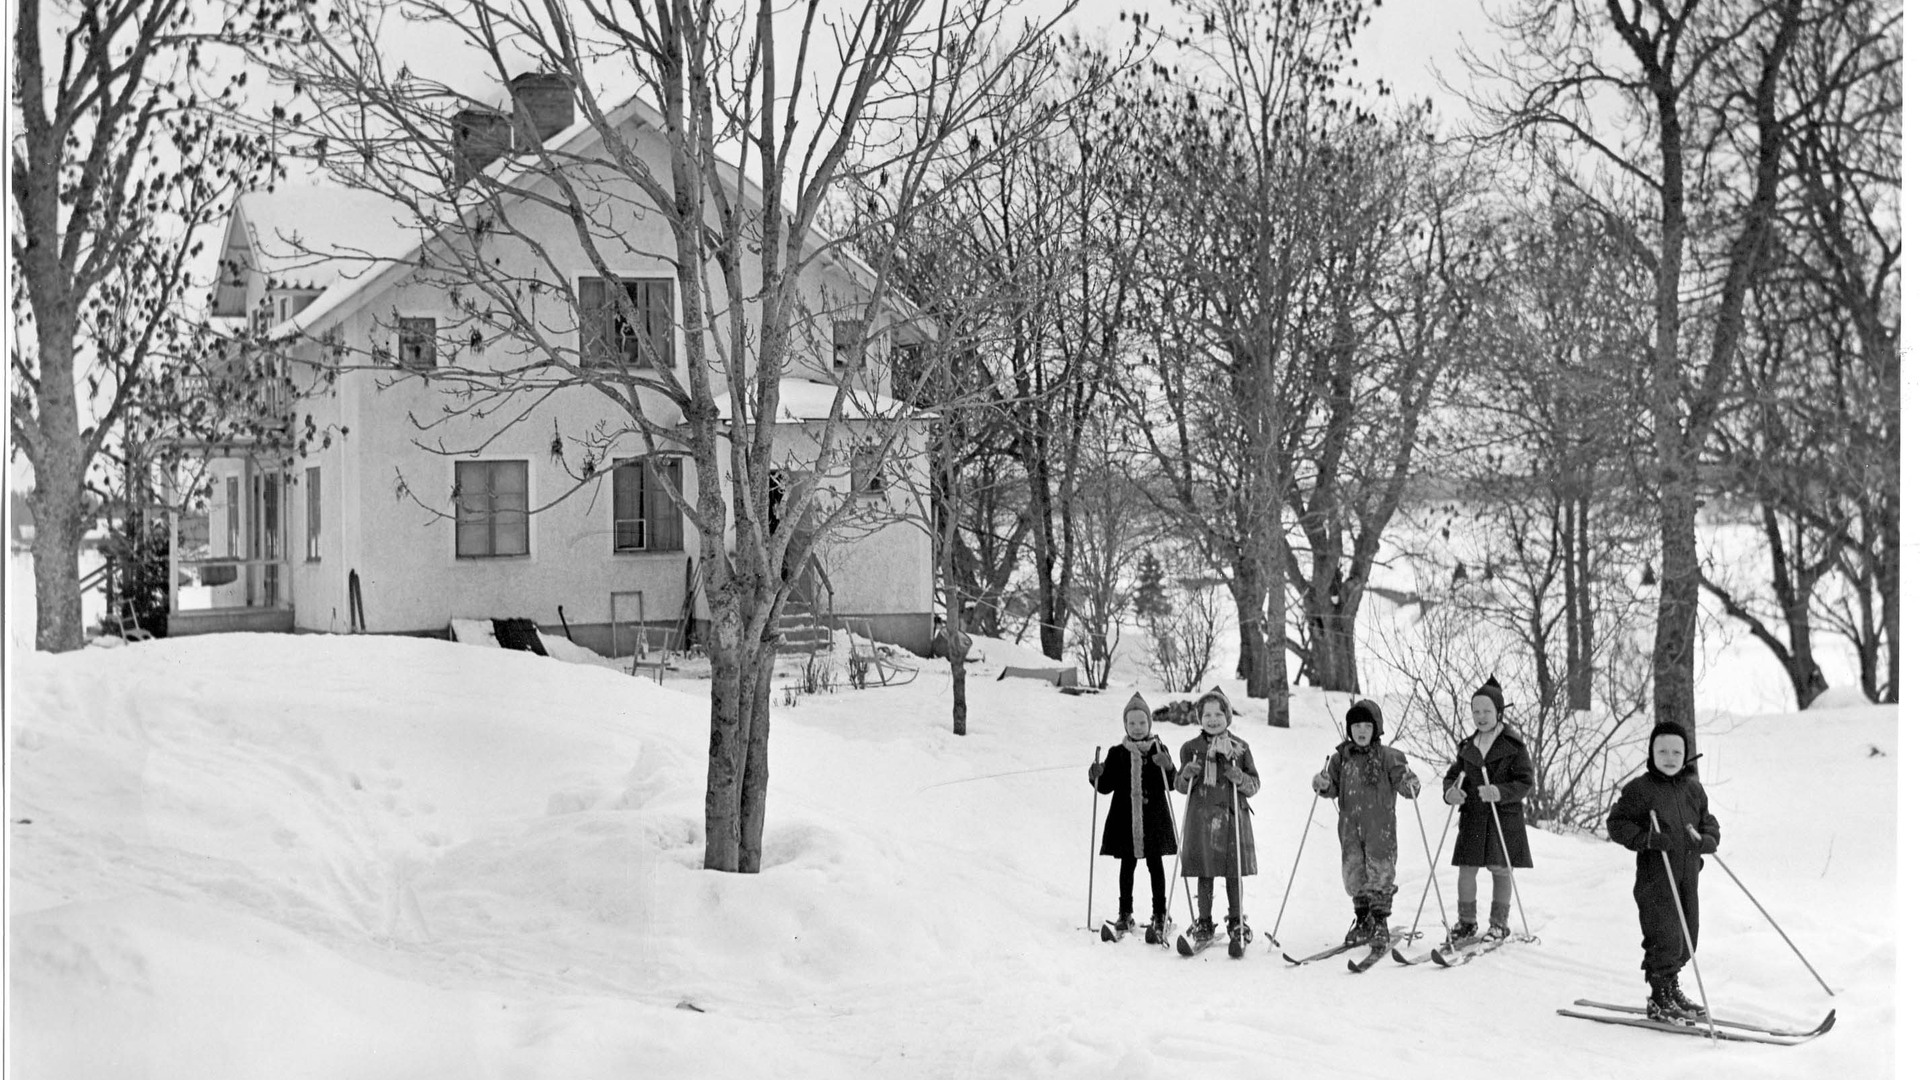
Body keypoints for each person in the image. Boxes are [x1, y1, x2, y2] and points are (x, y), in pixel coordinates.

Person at [1605, 721, 1721, 1022]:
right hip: (1656, 878)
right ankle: (1659, 998)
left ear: (1686, 755)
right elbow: (1617, 823)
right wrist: (1646, 839)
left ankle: (1672, 989)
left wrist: (1707, 839)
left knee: (1686, 938)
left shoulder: (1693, 789)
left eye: (1676, 751)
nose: (1669, 757)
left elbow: (1708, 821)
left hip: (1688, 875)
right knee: (1664, 937)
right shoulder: (1641, 790)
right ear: (1652, 752)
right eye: (1662, 751)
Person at [1313, 699, 1421, 946]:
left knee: (1380, 873)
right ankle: (1363, 920)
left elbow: (1403, 782)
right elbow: (1332, 786)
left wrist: (1410, 784)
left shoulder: (1388, 757)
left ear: (1376, 729)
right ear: (1349, 729)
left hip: (1379, 828)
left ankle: (1380, 922)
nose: (1361, 731)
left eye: (1367, 726)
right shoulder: (1341, 759)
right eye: (1356, 726)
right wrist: (1323, 784)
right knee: (1354, 874)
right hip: (1350, 827)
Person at [1441, 676, 1533, 943]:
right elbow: (1452, 776)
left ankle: (1498, 923)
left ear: (1499, 712)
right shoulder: (1467, 746)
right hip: (1473, 816)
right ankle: (1466, 922)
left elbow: (1525, 782)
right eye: (1476, 711)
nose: (1480, 716)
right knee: (1466, 868)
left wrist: (1500, 792)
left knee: (1500, 868)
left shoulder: (1514, 746)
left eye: (1487, 711)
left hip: (1502, 818)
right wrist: (1451, 792)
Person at [1088, 692, 1180, 943]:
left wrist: (1168, 765)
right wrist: (1096, 774)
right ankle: (1125, 912)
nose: (1137, 728)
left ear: (1149, 724)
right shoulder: (1117, 752)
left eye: (1142, 723)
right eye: (1132, 723)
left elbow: (1173, 784)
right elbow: (1105, 786)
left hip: (1154, 821)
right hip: (1125, 820)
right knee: (1126, 866)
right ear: (1125, 725)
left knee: (1155, 866)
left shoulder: (1159, 748)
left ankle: (1160, 913)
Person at [1175, 686, 1260, 953]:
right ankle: (1203, 922)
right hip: (1202, 819)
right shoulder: (1190, 748)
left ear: (1227, 716)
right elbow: (1179, 785)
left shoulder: (1240, 748)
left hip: (1233, 818)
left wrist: (1241, 779)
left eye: (1218, 714)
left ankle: (1237, 921)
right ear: (1199, 718)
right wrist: (1187, 774)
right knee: (1205, 870)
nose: (1212, 719)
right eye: (1207, 714)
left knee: (1233, 871)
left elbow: (1255, 784)